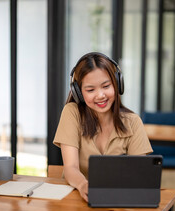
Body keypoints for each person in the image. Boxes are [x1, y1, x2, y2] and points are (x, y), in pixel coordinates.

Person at [53, 52, 152, 202]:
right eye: (90, 90)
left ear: (117, 84)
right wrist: (83, 185)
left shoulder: (133, 122)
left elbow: (138, 175)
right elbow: (70, 167)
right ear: (78, 93)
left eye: (106, 86)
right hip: (76, 199)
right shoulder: (72, 113)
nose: (100, 95)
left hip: (119, 200)